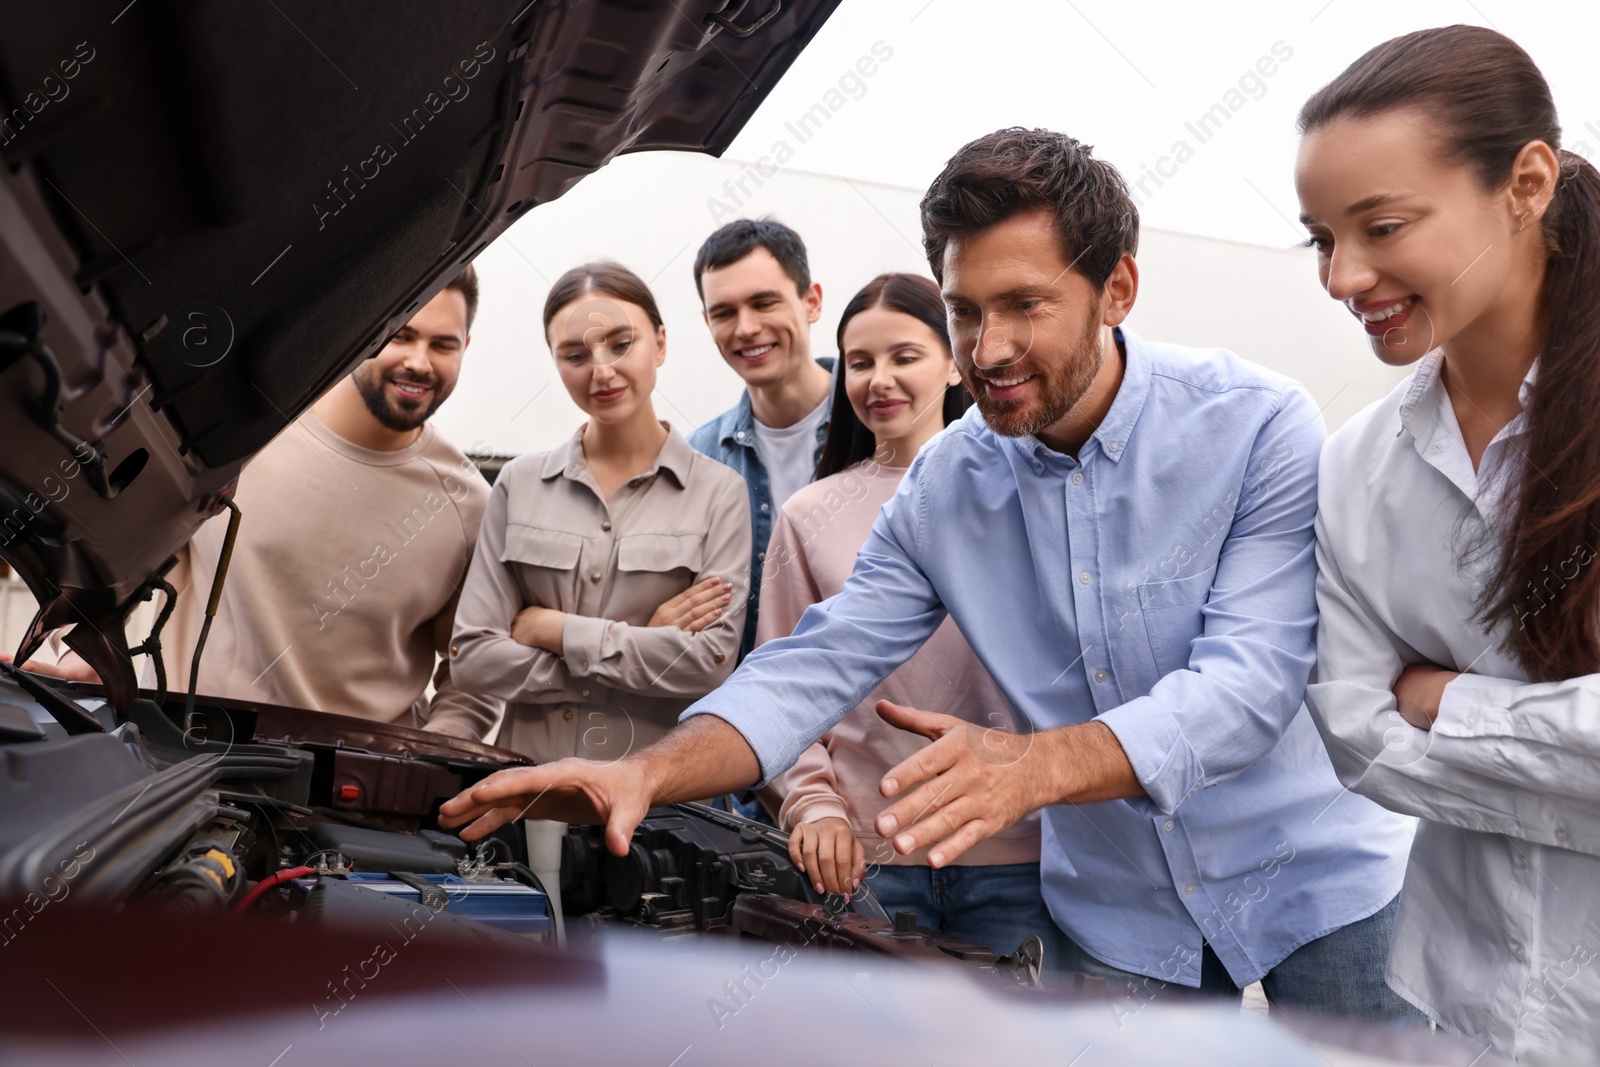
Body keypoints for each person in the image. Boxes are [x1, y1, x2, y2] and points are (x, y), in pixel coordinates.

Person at [443, 129, 1421, 1023]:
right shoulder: (946, 484)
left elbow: (1248, 683)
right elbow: (813, 665)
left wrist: (1035, 765)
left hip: (1312, 876)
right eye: (963, 309)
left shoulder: (1257, 422)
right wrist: (641, 772)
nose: (986, 350)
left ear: (1116, 289)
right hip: (1122, 911)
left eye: (1024, 306)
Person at [1297, 26, 1600, 1058]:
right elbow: (1351, 734)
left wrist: (1443, 702)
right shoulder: (1356, 463)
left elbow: (1392, 723)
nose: (1343, 275)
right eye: (1320, 238)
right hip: (1461, 1003)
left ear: (1524, 183)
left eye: (1381, 225)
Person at [10, 269, 501, 738]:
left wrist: (420, 764)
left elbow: (472, 677)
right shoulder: (239, 437)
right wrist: (84, 654)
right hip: (185, 761)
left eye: (443, 344)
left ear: (467, 348)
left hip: (349, 796)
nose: (419, 361)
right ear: (367, 326)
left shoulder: (470, 505)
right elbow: (111, 555)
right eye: (402, 334)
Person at [759, 271, 1063, 961]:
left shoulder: (1028, 490)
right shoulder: (809, 515)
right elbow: (784, 686)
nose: (878, 379)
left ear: (956, 360)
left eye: (904, 355)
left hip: (1019, 857)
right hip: (866, 863)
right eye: (859, 362)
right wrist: (816, 806)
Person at [448, 262, 749, 765]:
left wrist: (554, 631)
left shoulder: (720, 494)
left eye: (620, 343)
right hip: (528, 797)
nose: (602, 370)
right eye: (575, 354)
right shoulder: (518, 485)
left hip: (658, 808)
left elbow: (707, 664)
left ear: (660, 342)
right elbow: (474, 661)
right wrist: (642, 645)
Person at [688, 219, 835, 661]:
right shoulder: (701, 455)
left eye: (763, 303)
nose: (746, 328)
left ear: (811, 302)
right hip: (757, 708)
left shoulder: (884, 423)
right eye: (724, 312)